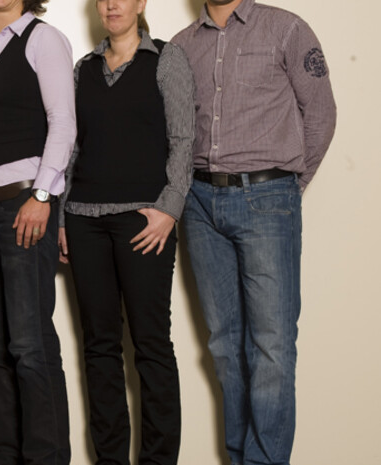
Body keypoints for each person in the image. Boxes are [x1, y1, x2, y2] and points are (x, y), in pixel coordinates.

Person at [172, 0, 336, 463]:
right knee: (225, 345)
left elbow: (321, 114)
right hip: (201, 205)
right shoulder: (184, 47)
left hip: (268, 198)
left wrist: (286, 187)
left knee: (272, 345)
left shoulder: (286, 29)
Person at [57, 0, 194, 463]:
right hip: (83, 221)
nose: (112, 4)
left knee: (151, 344)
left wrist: (168, 210)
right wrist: (61, 218)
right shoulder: (83, 69)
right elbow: (73, 149)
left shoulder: (166, 59)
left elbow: (183, 141)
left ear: (140, 4)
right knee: (99, 348)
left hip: (144, 222)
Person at [0, 0, 76, 463]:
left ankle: (46, 457)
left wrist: (43, 196)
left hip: (23, 204)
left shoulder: (44, 39)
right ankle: (5, 455)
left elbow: (63, 123)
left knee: (29, 342)